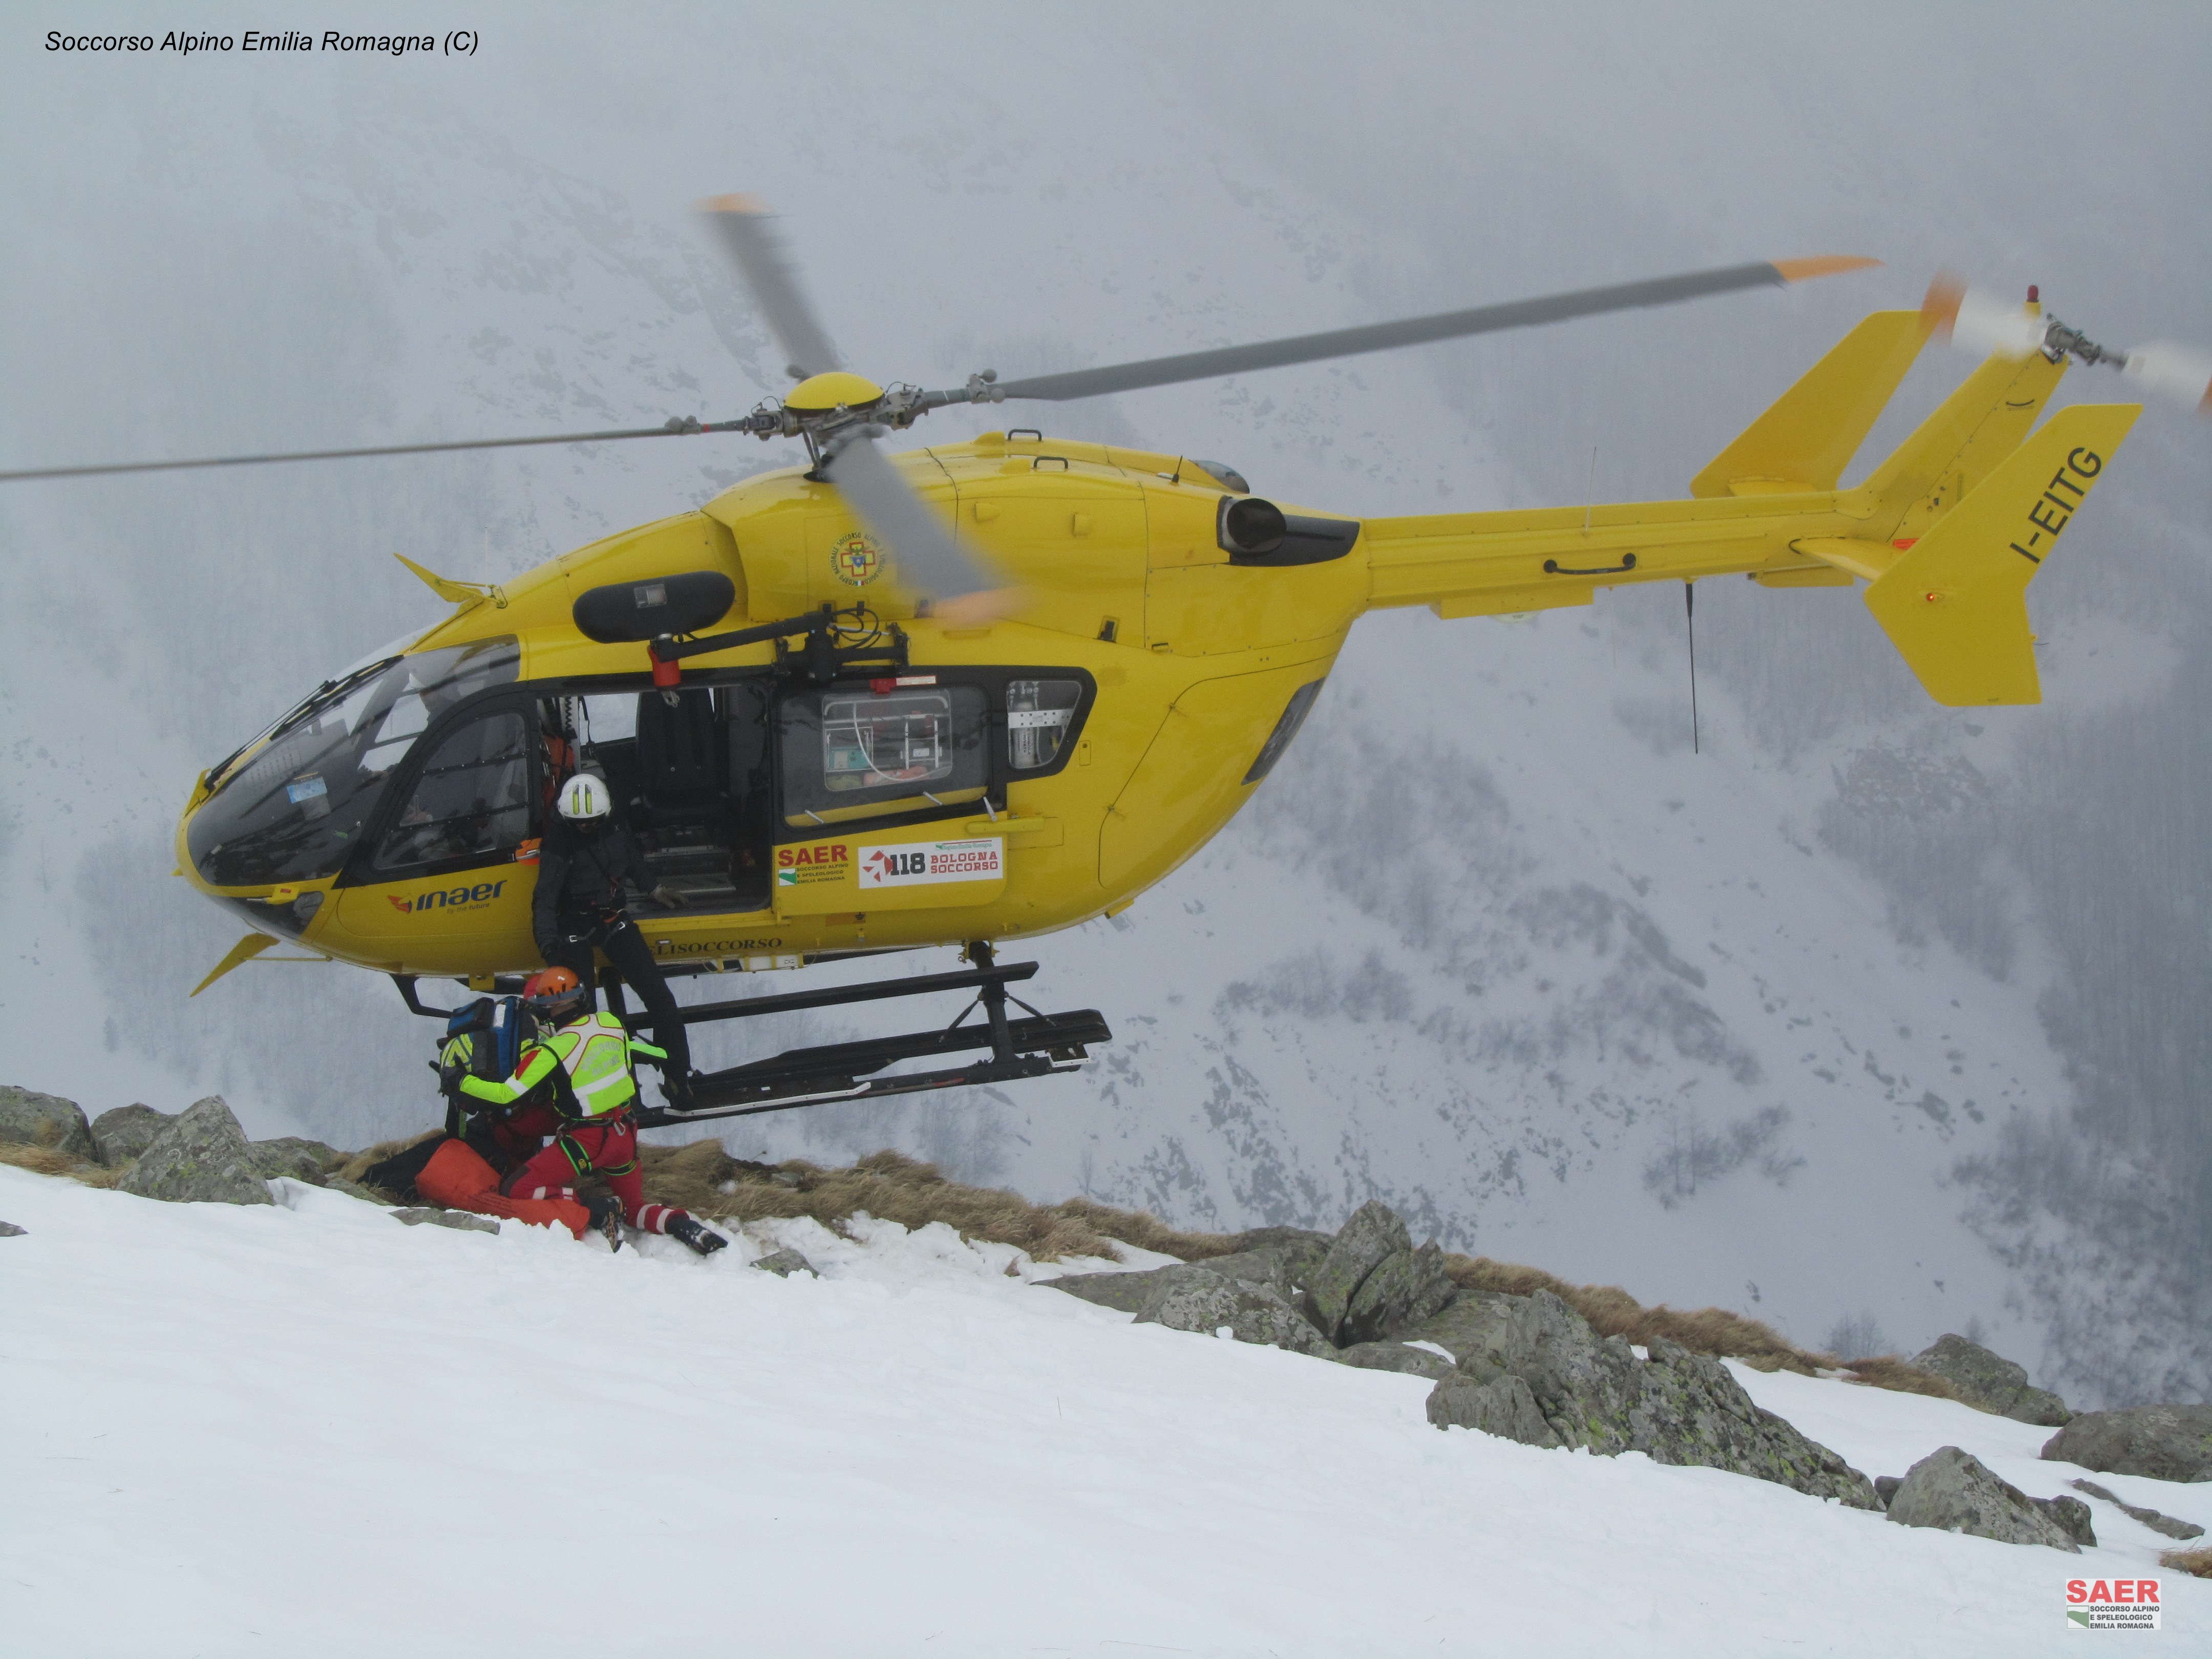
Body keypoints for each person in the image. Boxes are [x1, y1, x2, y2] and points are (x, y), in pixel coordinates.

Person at [457, 967, 728, 1256]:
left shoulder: (552, 1050)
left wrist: (461, 1081)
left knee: (518, 1189)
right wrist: (670, 1061)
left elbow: (506, 1093)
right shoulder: (610, 1023)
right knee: (634, 1208)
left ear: (547, 1009)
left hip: (586, 1142)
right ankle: (680, 1225)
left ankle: (595, 1207)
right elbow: (656, 1054)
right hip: (625, 1135)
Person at [534, 773, 694, 1101]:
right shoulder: (560, 842)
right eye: (578, 823)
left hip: (612, 918)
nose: (585, 828)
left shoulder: (616, 827)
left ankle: (678, 1077)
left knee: (660, 998)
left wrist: (654, 888)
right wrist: (550, 951)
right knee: (583, 1016)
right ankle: (604, 1096)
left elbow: (632, 859)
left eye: (591, 822)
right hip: (573, 926)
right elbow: (545, 898)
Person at [412, 1009, 624, 1248]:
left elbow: (503, 1098)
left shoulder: (535, 1060)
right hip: (492, 1148)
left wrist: (461, 1082)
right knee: (499, 1195)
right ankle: (593, 1209)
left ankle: (592, 1210)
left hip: (478, 1148)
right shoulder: (556, 1061)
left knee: (501, 1196)